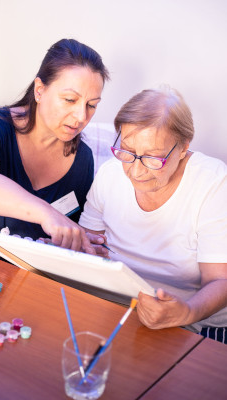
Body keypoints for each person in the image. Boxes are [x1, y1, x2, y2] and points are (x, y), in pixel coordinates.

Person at [0, 38, 109, 270]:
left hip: (20, 287)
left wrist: (75, 246)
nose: (81, 116)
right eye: (70, 100)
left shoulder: (83, 160)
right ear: (40, 90)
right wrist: (47, 214)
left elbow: (66, 233)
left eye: (91, 105)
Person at [79, 86, 227, 343]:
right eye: (127, 151)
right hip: (121, 310)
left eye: (152, 158)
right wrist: (73, 249)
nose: (135, 172)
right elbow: (88, 244)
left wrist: (187, 312)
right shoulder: (111, 173)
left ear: (183, 148)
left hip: (194, 323)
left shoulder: (213, 184)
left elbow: (220, 280)